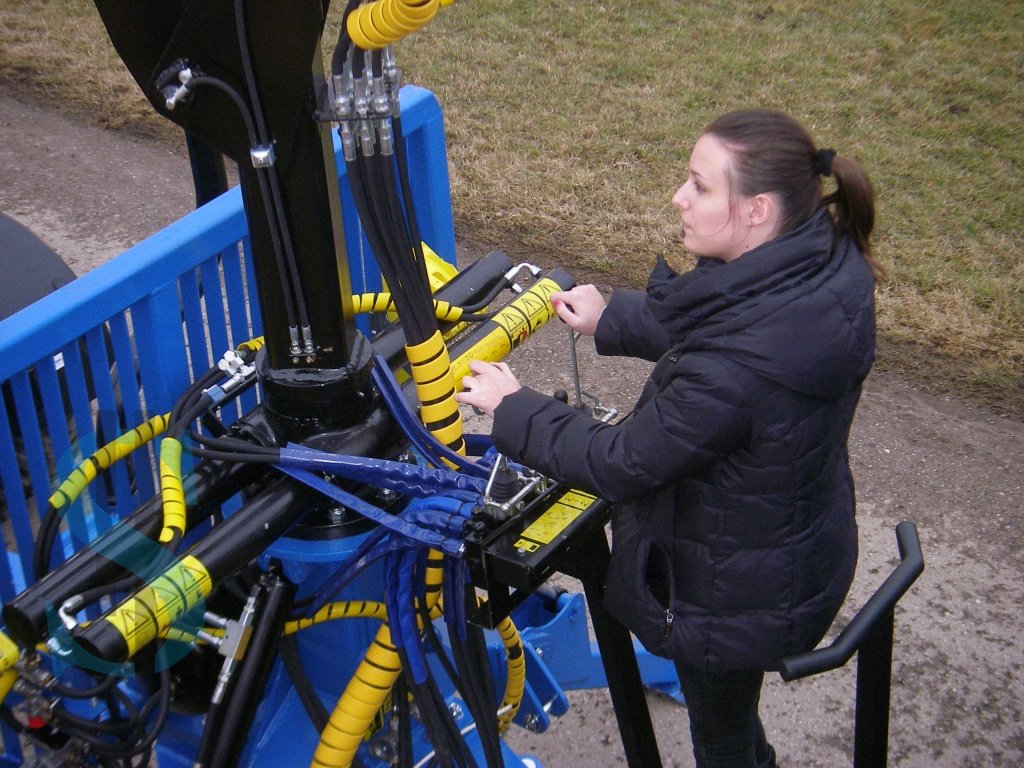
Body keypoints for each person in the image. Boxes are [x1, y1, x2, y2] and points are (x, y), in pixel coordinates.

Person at [455, 108, 883, 767]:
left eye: (700, 186)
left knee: (724, 742)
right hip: (788, 553)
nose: (679, 198)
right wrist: (613, 317)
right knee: (730, 719)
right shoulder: (824, 266)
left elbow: (620, 460)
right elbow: (730, 323)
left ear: (758, 211)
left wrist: (514, 407)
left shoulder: (729, 376)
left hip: (725, 599)